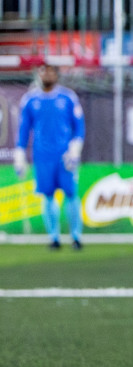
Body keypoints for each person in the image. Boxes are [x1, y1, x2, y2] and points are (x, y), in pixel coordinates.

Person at [13, 64, 85, 250]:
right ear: (39, 75)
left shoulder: (68, 97)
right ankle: (54, 237)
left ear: (57, 75)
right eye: (44, 71)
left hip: (65, 155)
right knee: (47, 195)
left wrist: (75, 148)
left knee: (71, 193)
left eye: (52, 71)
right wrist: (20, 154)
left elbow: (79, 126)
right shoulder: (30, 100)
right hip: (42, 156)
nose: (48, 75)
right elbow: (23, 130)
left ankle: (76, 237)